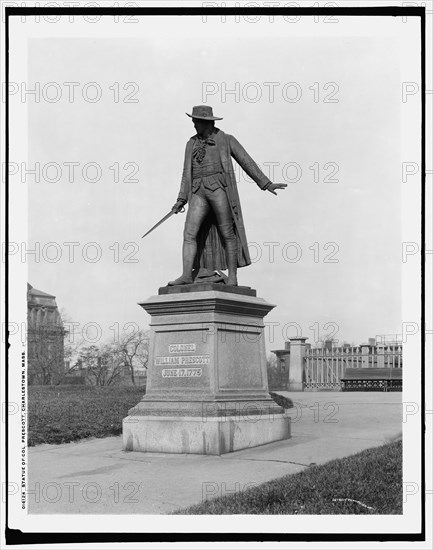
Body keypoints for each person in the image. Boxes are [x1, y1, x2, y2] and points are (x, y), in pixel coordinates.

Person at [168, 105, 287, 287]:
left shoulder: (226, 140)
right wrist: (180, 199)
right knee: (189, 233)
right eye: (193, 121)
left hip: (219, 188)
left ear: (207, 122)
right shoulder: (190, 143)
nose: (194, 125)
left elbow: (246, 161)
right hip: (197, 191)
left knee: (227, 232)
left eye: (196, 122)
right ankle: (186, 275)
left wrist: (266, 183)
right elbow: (186, 173)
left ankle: (232, 277)